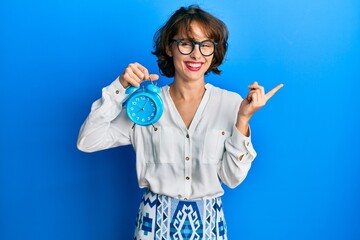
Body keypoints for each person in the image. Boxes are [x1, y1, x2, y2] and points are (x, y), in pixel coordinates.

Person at [77, 5, 283, 240]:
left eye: (206, 45)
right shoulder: (145, 105)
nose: (197, 55)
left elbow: (232, 178)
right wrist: (120, 88)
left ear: (214, 52)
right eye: (186, 43)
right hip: (152, 228)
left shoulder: (231, 104)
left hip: (210, 228)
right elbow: (87, 141)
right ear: (169, 47)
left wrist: (244, 118)